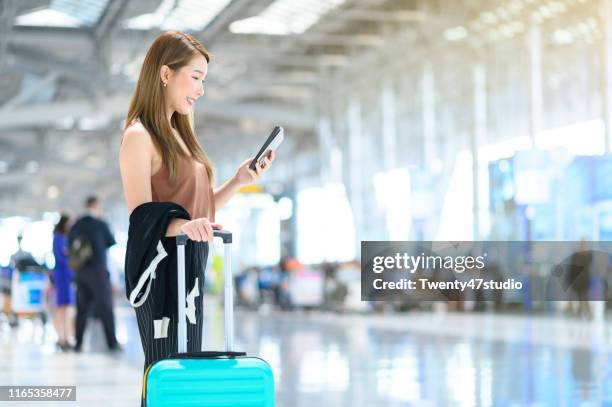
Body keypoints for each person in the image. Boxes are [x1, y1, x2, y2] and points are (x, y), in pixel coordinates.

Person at [118, 31, 275, 405]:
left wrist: (238, 182)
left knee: (182, 373)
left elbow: (198, 212)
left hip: (189, 265)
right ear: (165, 73)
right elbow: (141, 217)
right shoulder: (139, 136)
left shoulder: (181, 136)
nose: (201, 89)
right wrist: (184, 227)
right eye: (196, 76)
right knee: (164, 369)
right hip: (161, 270)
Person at [68, 196, 120, 352]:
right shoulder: (100, 223)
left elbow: (69, 244)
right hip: (98, 271)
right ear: (96, 206)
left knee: (82, 309)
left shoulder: (76, 224)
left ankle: (78, 344)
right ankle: (112, 343)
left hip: (81, 272)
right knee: (105, 307)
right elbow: (111, 242)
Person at [51, 214, 75, 351]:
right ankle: (62, 337)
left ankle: (66, 336)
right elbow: (62, 256)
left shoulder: (66, 238)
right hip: (62, 275)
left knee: (67, 307)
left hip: (67, 275)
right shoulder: (58, 238)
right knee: (62, 307)